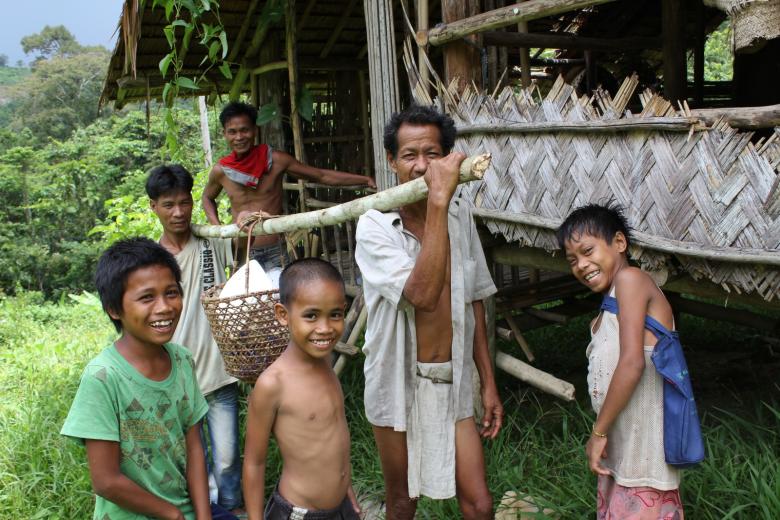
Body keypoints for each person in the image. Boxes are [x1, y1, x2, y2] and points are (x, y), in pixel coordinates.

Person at [354, 104, 503, 520]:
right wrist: (438, 201)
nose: (421, 167)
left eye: (433, 155)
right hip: (396, 382)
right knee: (402, 502)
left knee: (479, 502)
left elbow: (473, 299)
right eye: (409, 156)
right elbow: (421, 294)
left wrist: (487, 382)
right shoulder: (374, 226)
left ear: (448, 158)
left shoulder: (459, 213)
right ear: (391, 162)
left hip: (453, 381)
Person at [60, 237, 236, 520]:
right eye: (146, 297)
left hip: (186, 508)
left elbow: (194, 449)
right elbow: (106, 481)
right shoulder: (103, 377)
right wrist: (172, 515)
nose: (165, 307)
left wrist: (202, 517)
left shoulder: (181, 360)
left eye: (171, 292)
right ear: (114, 309)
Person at [557, 204, 685, 519]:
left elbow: (632, 364)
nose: (581, 265)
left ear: (619, 243)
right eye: (572, 259)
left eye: (588, 251)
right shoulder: (608, 308)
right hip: (622, 455)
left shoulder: (631, 280)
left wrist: (597, 433)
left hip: (644, 458)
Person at [146, 164, 245, 514]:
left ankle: (231, 509)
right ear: (153, 208)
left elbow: (244, 256)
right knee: (193, 458)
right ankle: (210, 512)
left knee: (228, 456)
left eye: (184, 202)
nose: (178, 212)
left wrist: (246, 222)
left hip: (220, 371)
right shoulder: (152, 263)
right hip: (177, 380)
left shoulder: (210, 240)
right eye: (168, 204)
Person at [242, 258, 361, 520]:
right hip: (300, 513)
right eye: (311, 316)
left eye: (335, 315)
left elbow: (333, 437)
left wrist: (346, 486)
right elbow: (254, 462)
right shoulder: (273, 384)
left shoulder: (326, 363)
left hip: (341, 506)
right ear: (283, 315)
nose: (325, 328)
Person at [202, 101, 376, 270]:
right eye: (232, 132)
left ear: (255, 130)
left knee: (283, 298)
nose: (239, 137)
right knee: (245, 299)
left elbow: (320, 175)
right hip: (241, 251)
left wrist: (364, 179)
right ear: (225, 134)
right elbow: (207, 198)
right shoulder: (221, 171)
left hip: (275, 249)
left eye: (244, 130)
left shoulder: (276, 160)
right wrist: (219, 229)